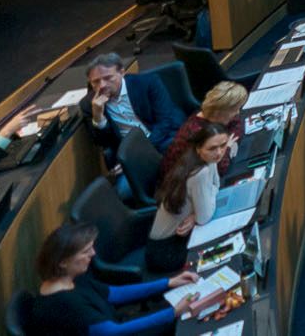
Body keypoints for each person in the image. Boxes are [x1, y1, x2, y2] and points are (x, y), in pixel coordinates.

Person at [22, 220, 198, 336]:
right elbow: (113, 332)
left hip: (117, 321)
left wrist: (168, 282)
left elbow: (114, 294)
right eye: (86, 251)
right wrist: (172, 313)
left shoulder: (69, 277)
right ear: (63, 262)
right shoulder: (64, 304)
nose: (93, 254)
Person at [143, 123, 228, 273]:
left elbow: (216, 185)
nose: (219, 152)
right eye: (212, 148)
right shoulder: (199, 173)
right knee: (221, 253)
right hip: (167, 250)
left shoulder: (204, 160)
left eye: (223, 145)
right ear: (199, 149)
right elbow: (205, 217)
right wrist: (198, 215)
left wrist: (196, 213)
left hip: (178, 238)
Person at [85, 52, 192, 160]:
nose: (102, 85)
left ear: (122, 72)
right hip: (132, 155)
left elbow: (165, 121)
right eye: (96, 82)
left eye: (108, 78)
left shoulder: (148, 83)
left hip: (164, 138)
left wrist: (142, 151)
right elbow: (103, 143)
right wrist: (98, 117)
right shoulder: (89, 104)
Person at [162, 82, 249, 181]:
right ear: (221, 112)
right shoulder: (198, 132)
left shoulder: (213, 116)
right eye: (235, 110)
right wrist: (227, 147)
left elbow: (237, 123)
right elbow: (220, 168)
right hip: (182, 185)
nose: (238, 112)